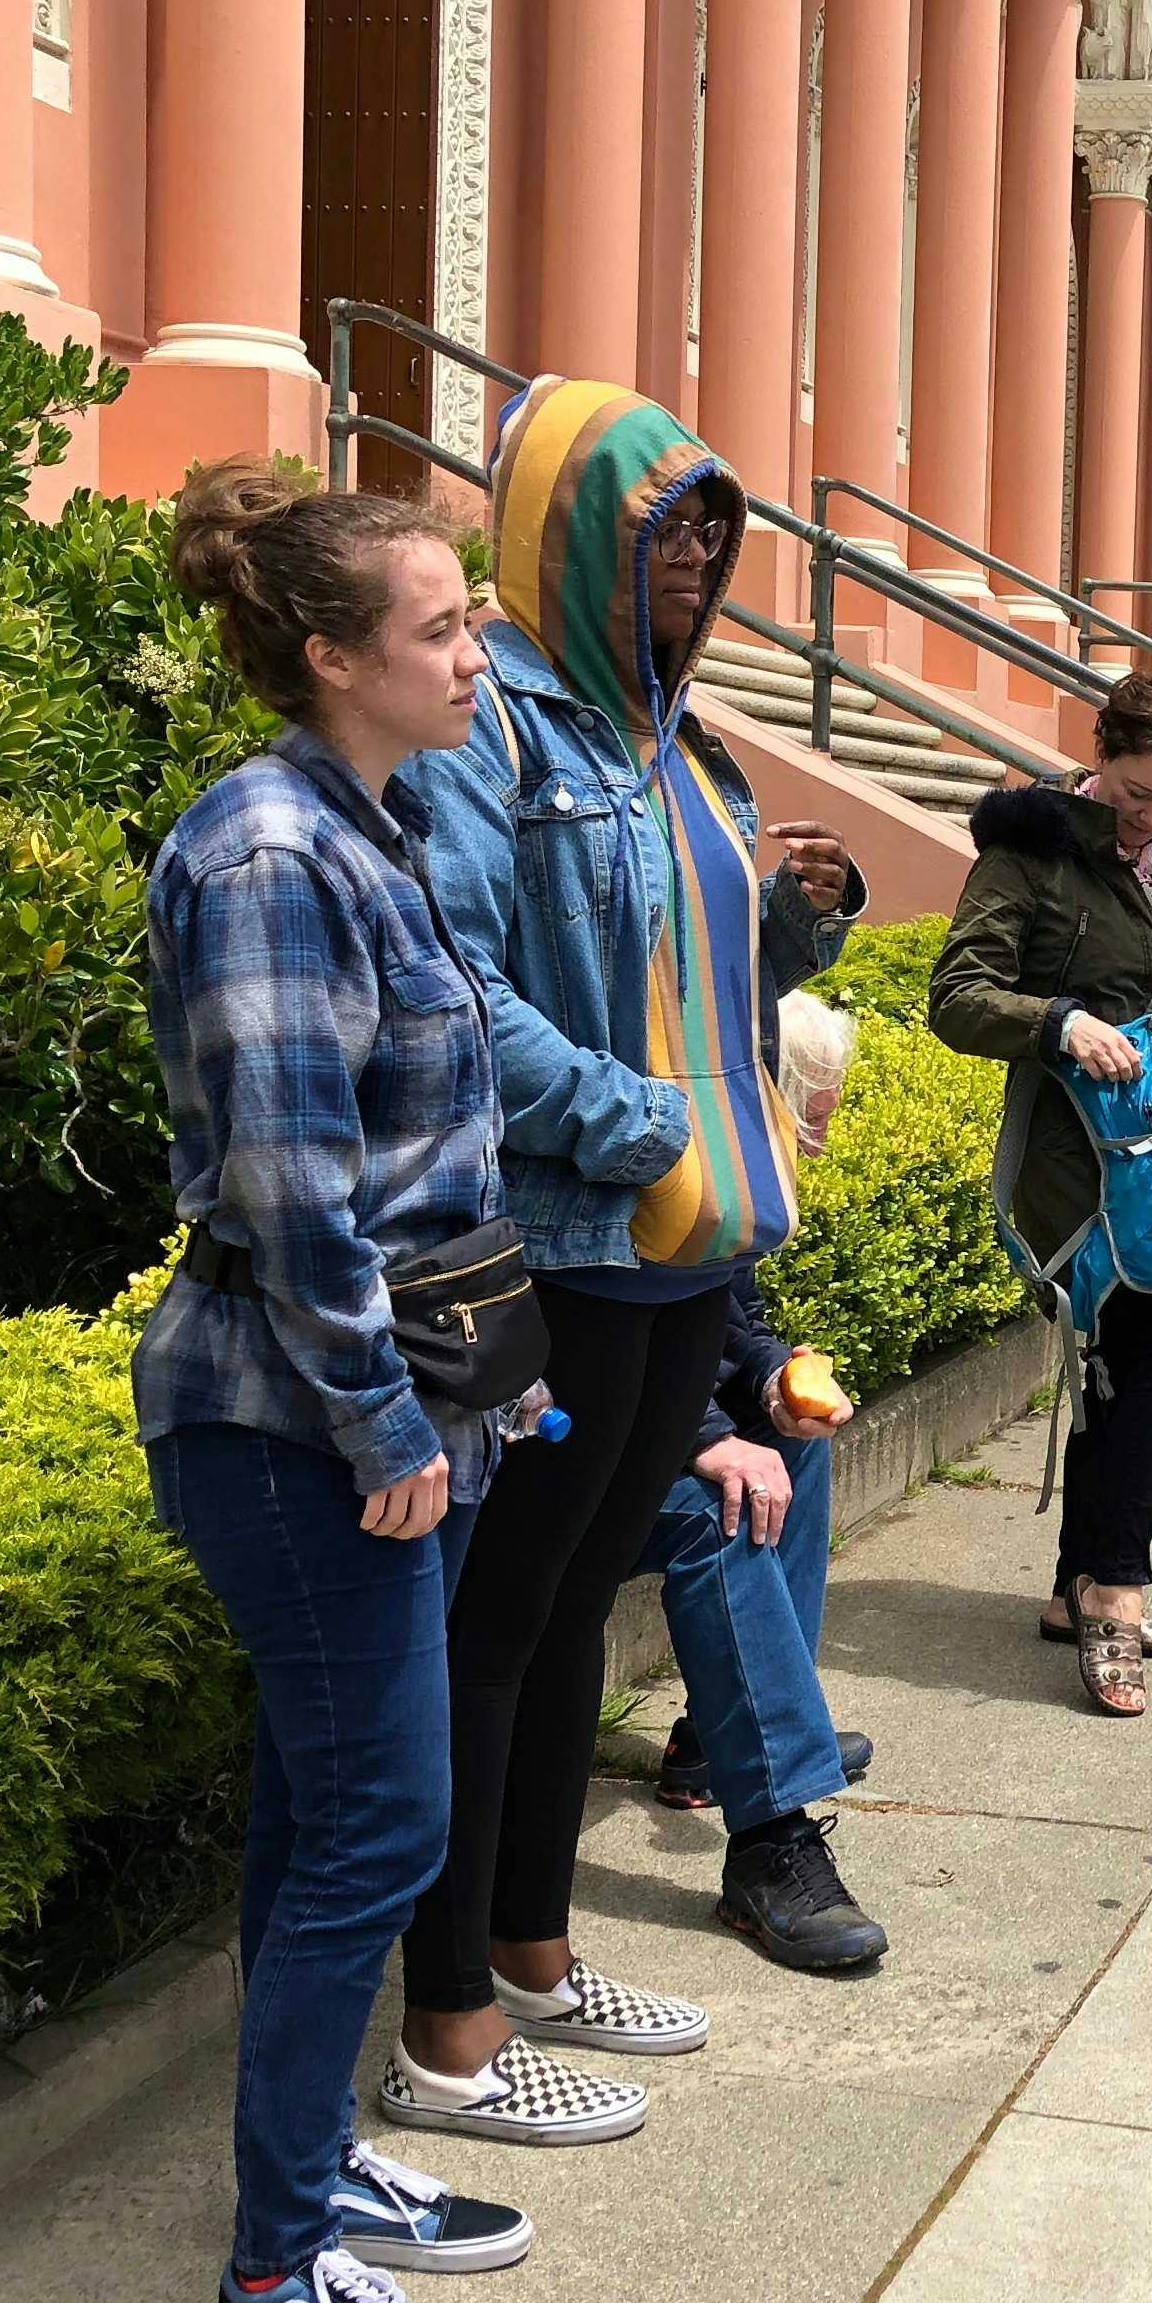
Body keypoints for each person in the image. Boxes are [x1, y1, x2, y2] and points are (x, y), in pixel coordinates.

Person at [390, 380, 862, 2148]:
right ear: (570, 530)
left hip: (681, 1261)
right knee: (491, 1628)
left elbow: (699, 978)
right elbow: (454, 991)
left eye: (718, 532)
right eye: (671, 529)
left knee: (579, 1608)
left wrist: (788, 916)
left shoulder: (673, 737)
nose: (703, 563)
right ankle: (443, 2028)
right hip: (571, 1232)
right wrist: (641, 1122)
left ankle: (531, 1950)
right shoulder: (489, 723)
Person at [139, 462, 531, 2303]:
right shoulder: (269, 858)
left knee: (326, 1810)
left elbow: (424, 1157)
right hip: (295, 1426)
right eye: (445, 627)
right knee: (380, 1817)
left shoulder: (376, 818)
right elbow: (297, 1191)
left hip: (394, 1411)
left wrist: (482, 1390)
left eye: (473, 617)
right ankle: (275, 2270)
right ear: (329, 657)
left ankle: (307, 2175)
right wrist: (392, 1418)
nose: (480, 651)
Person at [930, 672, 1152, 1716]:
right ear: (1102, 761)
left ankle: (1073, 1579)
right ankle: (1115, 1586)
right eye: (1136, 795)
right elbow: (956, 994)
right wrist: (1057, 1023)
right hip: (1073, 1162)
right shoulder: (1033, 846)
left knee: (1137, 1357)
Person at [635, 992, 890, 1977]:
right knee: (725, 1504)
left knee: (798, 1446)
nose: (818, 1143)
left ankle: (724, 1733)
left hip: (641, 1429)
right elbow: (603, 1334)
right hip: (563, 1459)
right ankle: (773, 1836)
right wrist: (706, 1437)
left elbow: (722, 1322)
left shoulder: (728, 1171)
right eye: (808, 1116)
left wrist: (774, 1377)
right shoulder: (657, 1160)